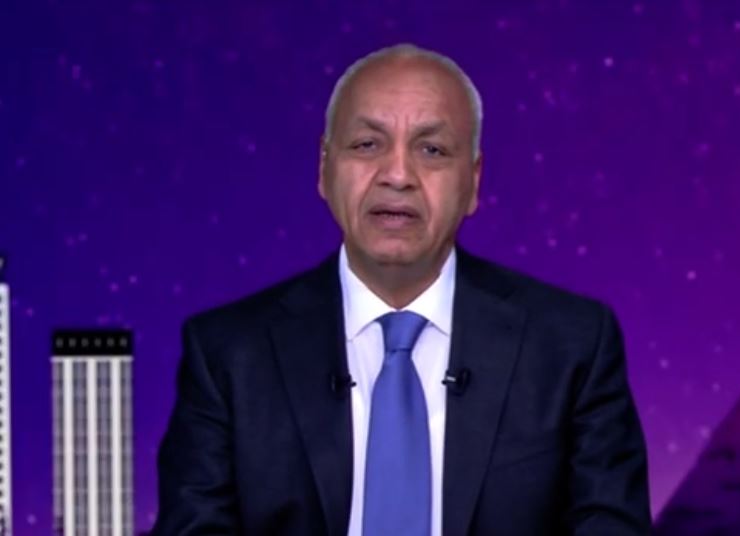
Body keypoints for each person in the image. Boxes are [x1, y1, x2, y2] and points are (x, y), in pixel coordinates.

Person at [152, 43, 651, 535]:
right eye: (367, 145)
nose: (397, 175)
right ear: (324, 168)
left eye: (432, 150)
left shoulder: (571, 346)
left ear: (473, 181)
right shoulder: (229, 355)